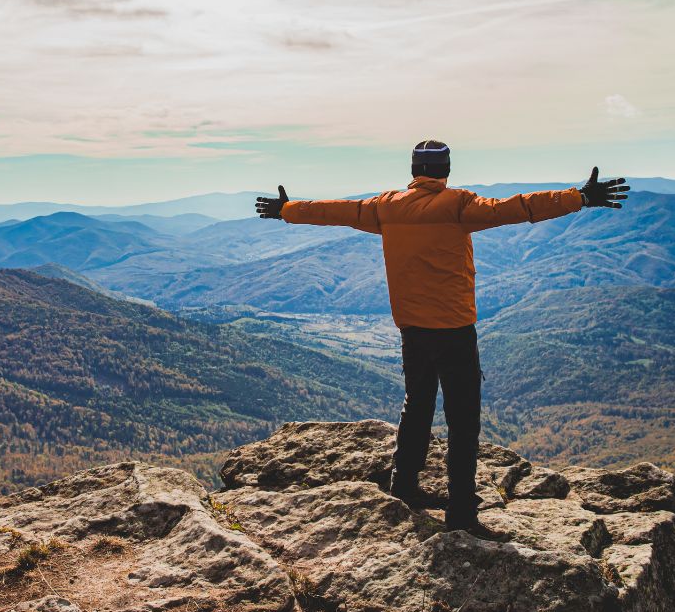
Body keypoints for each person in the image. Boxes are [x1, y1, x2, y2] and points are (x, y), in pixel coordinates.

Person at [254, 140, 628, 533]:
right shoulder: (459, 205)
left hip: (412, 328)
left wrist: (287, 210)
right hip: (454, 329)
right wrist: (579, 197)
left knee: (417, 404)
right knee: (463, 420)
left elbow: (334, 211)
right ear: (446, 170)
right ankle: (462, 512)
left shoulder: (387, 206)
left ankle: (405, 485)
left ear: (413, 170)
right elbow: (520, 207)